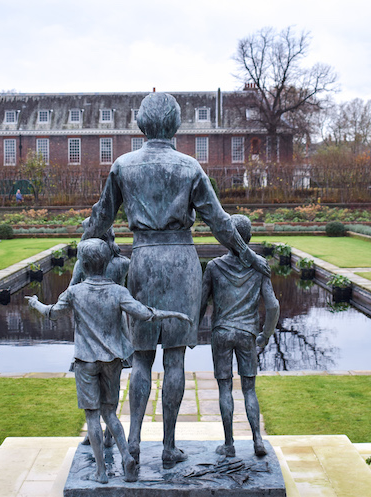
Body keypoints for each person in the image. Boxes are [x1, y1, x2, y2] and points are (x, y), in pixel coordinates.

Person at [81, 92, 270, 467]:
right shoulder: (189, 167)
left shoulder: (123, 165)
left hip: (144, 259)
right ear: (177, 125)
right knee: (175, 360)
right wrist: (249, 256)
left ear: (141, 124)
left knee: (140, 359)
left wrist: (83, 249)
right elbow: (220, 223)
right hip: (182, 263)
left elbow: (100, 222)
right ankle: (167, 447)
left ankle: (133, 440)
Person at [25, 238, 191, 484]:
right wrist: (175, 313)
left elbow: (52, 313)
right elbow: (145, 314)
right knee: (110, 413)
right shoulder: (118, 291)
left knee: (92, 416)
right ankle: (126, 456)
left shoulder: (75, 292)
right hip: (112, 360)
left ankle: (101, 472)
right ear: (106, 262)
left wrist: (36, 303)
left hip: (85, 361)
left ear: (83, 264)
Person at [200, 215, 280, 458]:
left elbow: (201, 304)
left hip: (222, 333)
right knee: (249, 390)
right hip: (247, 334)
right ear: (249, 237)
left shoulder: (214, 267)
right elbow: (273, 307)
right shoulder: (259, 266)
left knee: (225, 389)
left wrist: (192, 331)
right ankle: (257, 440)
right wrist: (265, 335)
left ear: (227, 238)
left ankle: (229, 443)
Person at [70, 221, 130, 448]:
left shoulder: (82, 264)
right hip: (116, 327)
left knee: (92, 387)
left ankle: (94, 432)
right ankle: (107, 434)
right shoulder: (123, 263)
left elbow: (72, 290)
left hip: (89, 329)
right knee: (111, 385)